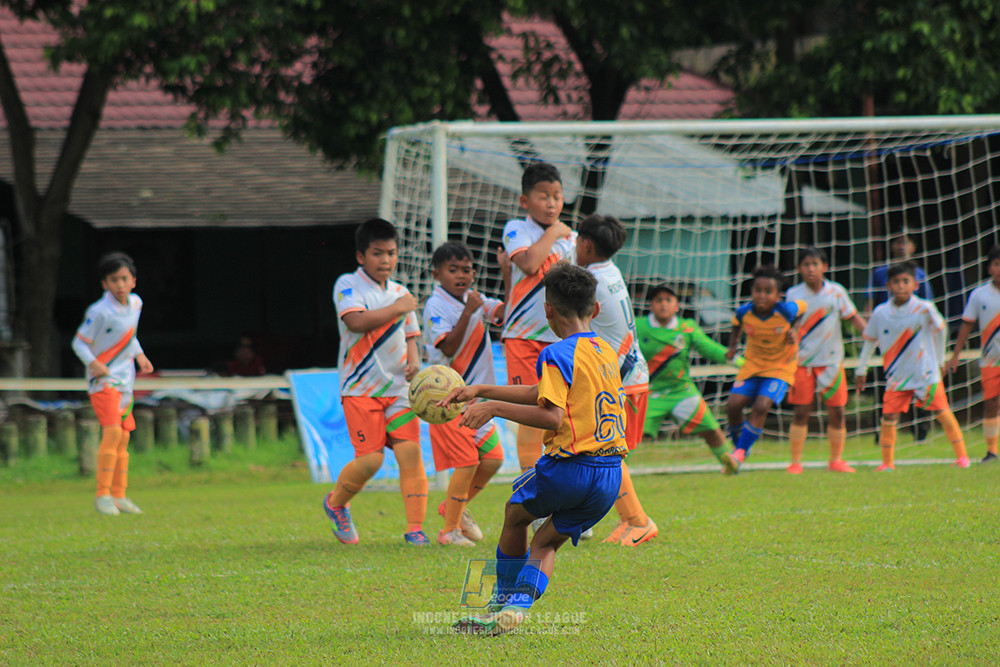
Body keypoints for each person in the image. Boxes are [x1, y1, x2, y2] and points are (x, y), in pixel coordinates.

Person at [442, 263, 627, 636]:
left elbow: (553, 416)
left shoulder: (557, 352)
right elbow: (541, 392)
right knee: (545, 542)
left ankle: (499, 600)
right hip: (610, 475)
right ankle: (517, 608)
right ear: (594, 309)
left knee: (515, 513)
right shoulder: (605, 351)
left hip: (570, 466)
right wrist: (481, 390)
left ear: (547, 309)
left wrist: (492, 408)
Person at [325, 218, 429, 545]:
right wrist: (398, 308)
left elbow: (411, 335)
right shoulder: (348, 285)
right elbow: (356, 323)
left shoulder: (401, 292)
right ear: (361, 256)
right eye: (377, 253)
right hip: (360, 389)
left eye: (391, 253)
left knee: (410, 454)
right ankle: (336, 504)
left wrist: (414, 362)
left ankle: (415, 529)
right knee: (371, 459)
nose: (385, 260)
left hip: (398, 390)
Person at [575, 214, 657, 547]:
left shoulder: (589, 282)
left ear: (586, 245)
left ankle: (638, 521)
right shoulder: (609, 271)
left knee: (607, 453)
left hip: (621, 379)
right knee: (605, 452)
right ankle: (627, 519)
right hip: (629, 375)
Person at [422, 242, 506, 546]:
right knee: (467, 462)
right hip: (448, 401)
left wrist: (509, 272)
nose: (461, 275)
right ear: (436, 274)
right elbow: (447, 347)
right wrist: (469, 312)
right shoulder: (436, 306)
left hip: (478, 401)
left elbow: (506, 314)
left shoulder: (477, 299)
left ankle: (453, 510)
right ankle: (449, 531)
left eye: (467, 269)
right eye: (452, 270)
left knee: (494, 459)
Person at [855, 261, 969, 470]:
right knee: (888, 415)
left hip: (924, 372)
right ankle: (887, 463)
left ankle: (962, 457)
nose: (900, 285)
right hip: (896, 375)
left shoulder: (924, 308)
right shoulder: (880, 312)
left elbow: (942, 329)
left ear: (915, 285)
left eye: (905, 281)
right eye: (896, 281)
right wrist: (861, 368)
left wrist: (939, 360)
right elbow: (870, 340)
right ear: (888, 285)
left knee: (942, 411)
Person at [500, 162, 575, 472]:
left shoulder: (572, 239)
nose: (552, 203)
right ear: (524, 201)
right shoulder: (517, 229)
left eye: (557, 196)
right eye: (543, 196)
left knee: (564, 414)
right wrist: (556, 231)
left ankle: (566, 488)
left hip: (561, 338)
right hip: (522, 336)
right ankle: (533, 495)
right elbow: (530, 264)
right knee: (531, 412)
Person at [72, 252, 154, 516]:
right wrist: (93, 363)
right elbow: (79, 343)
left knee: (124, 436)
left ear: (133, 281)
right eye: (113, 279)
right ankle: (102, 495)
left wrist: (140, 355)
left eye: (124, 278)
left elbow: (130, 336)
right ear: (104, 283)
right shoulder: (99, 312)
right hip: (103, 380)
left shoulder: (136, 304)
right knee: (112, 432)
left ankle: (120, 495)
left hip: (125, 379)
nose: (120, 284)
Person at [637, 283, 741, 474]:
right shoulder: (638, 326)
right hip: (648, 392)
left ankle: (732, 465)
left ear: (676, 306)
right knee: (628, 436)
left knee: (711, 430)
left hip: (681, 391)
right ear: (651, 305)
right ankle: (611, 474)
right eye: (658, 300)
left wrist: (743, 364)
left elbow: (710, 349)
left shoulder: (687, 328)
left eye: (668, 300)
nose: (663, 304)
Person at [785, 248, 867, 474]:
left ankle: (836, 460)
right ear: (799, 269)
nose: (811, 268)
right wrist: (790, 333)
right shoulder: (793, 294)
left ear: (825, 267)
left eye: (815, 264)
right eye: (806, 264)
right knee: (801, 411)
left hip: (831, 362)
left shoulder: (836, 292)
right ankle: (795, 462)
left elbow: (852, 317)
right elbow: (789, 325)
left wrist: (870, 334)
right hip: (802, 362)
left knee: (837, 411)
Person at [725, 265, 806, 468]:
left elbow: (803, 308)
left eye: (767, 292)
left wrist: (794, 329)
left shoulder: (786, 310)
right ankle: (740, 448)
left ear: (778, 295)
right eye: (757, 290)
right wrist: (733, 346)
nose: (761, 296)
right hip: (752, 365)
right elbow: (736, 324)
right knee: (733, 406)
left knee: (761, 406)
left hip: (781, 366)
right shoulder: (745, 311)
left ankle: (739, 453)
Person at [865, 230, 932, 443]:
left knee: (921, 386)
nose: (902, 246)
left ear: (914, 246)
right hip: (887, 341)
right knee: (886, 386)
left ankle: (921, 432)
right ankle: (881, 434)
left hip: (914, 342)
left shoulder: (920, 274)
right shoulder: (880, 273)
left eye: (907, 242)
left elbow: (929, 308)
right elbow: (871, 304)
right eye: (898, 241)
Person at [944, 245, 1000, 463]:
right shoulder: (979, 295)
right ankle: (991, 450)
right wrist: (955, 354)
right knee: (991, 403)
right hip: (990, 359)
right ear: (989, 268)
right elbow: (966, 326)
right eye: (996, 264)